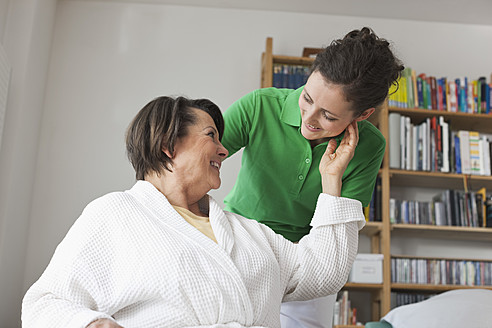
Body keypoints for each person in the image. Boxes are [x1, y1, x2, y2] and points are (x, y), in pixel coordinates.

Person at [22, 96, 365, 328]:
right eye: (211, 135)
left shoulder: (246, 231)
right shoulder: (116, 214)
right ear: (168, 146)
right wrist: (94, 324)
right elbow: (43, 304)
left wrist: (331, 181)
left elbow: (322, 273)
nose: (223, 148)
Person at [220, 27, 404, 328]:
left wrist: (333, 179)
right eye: (306, 98)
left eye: (328, 116)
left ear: (362, 115)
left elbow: (338, 236)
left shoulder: (371, 146)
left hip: (308, 261)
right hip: (243, 242)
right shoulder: (259, 105)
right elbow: (199, 162)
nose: (309, 118)